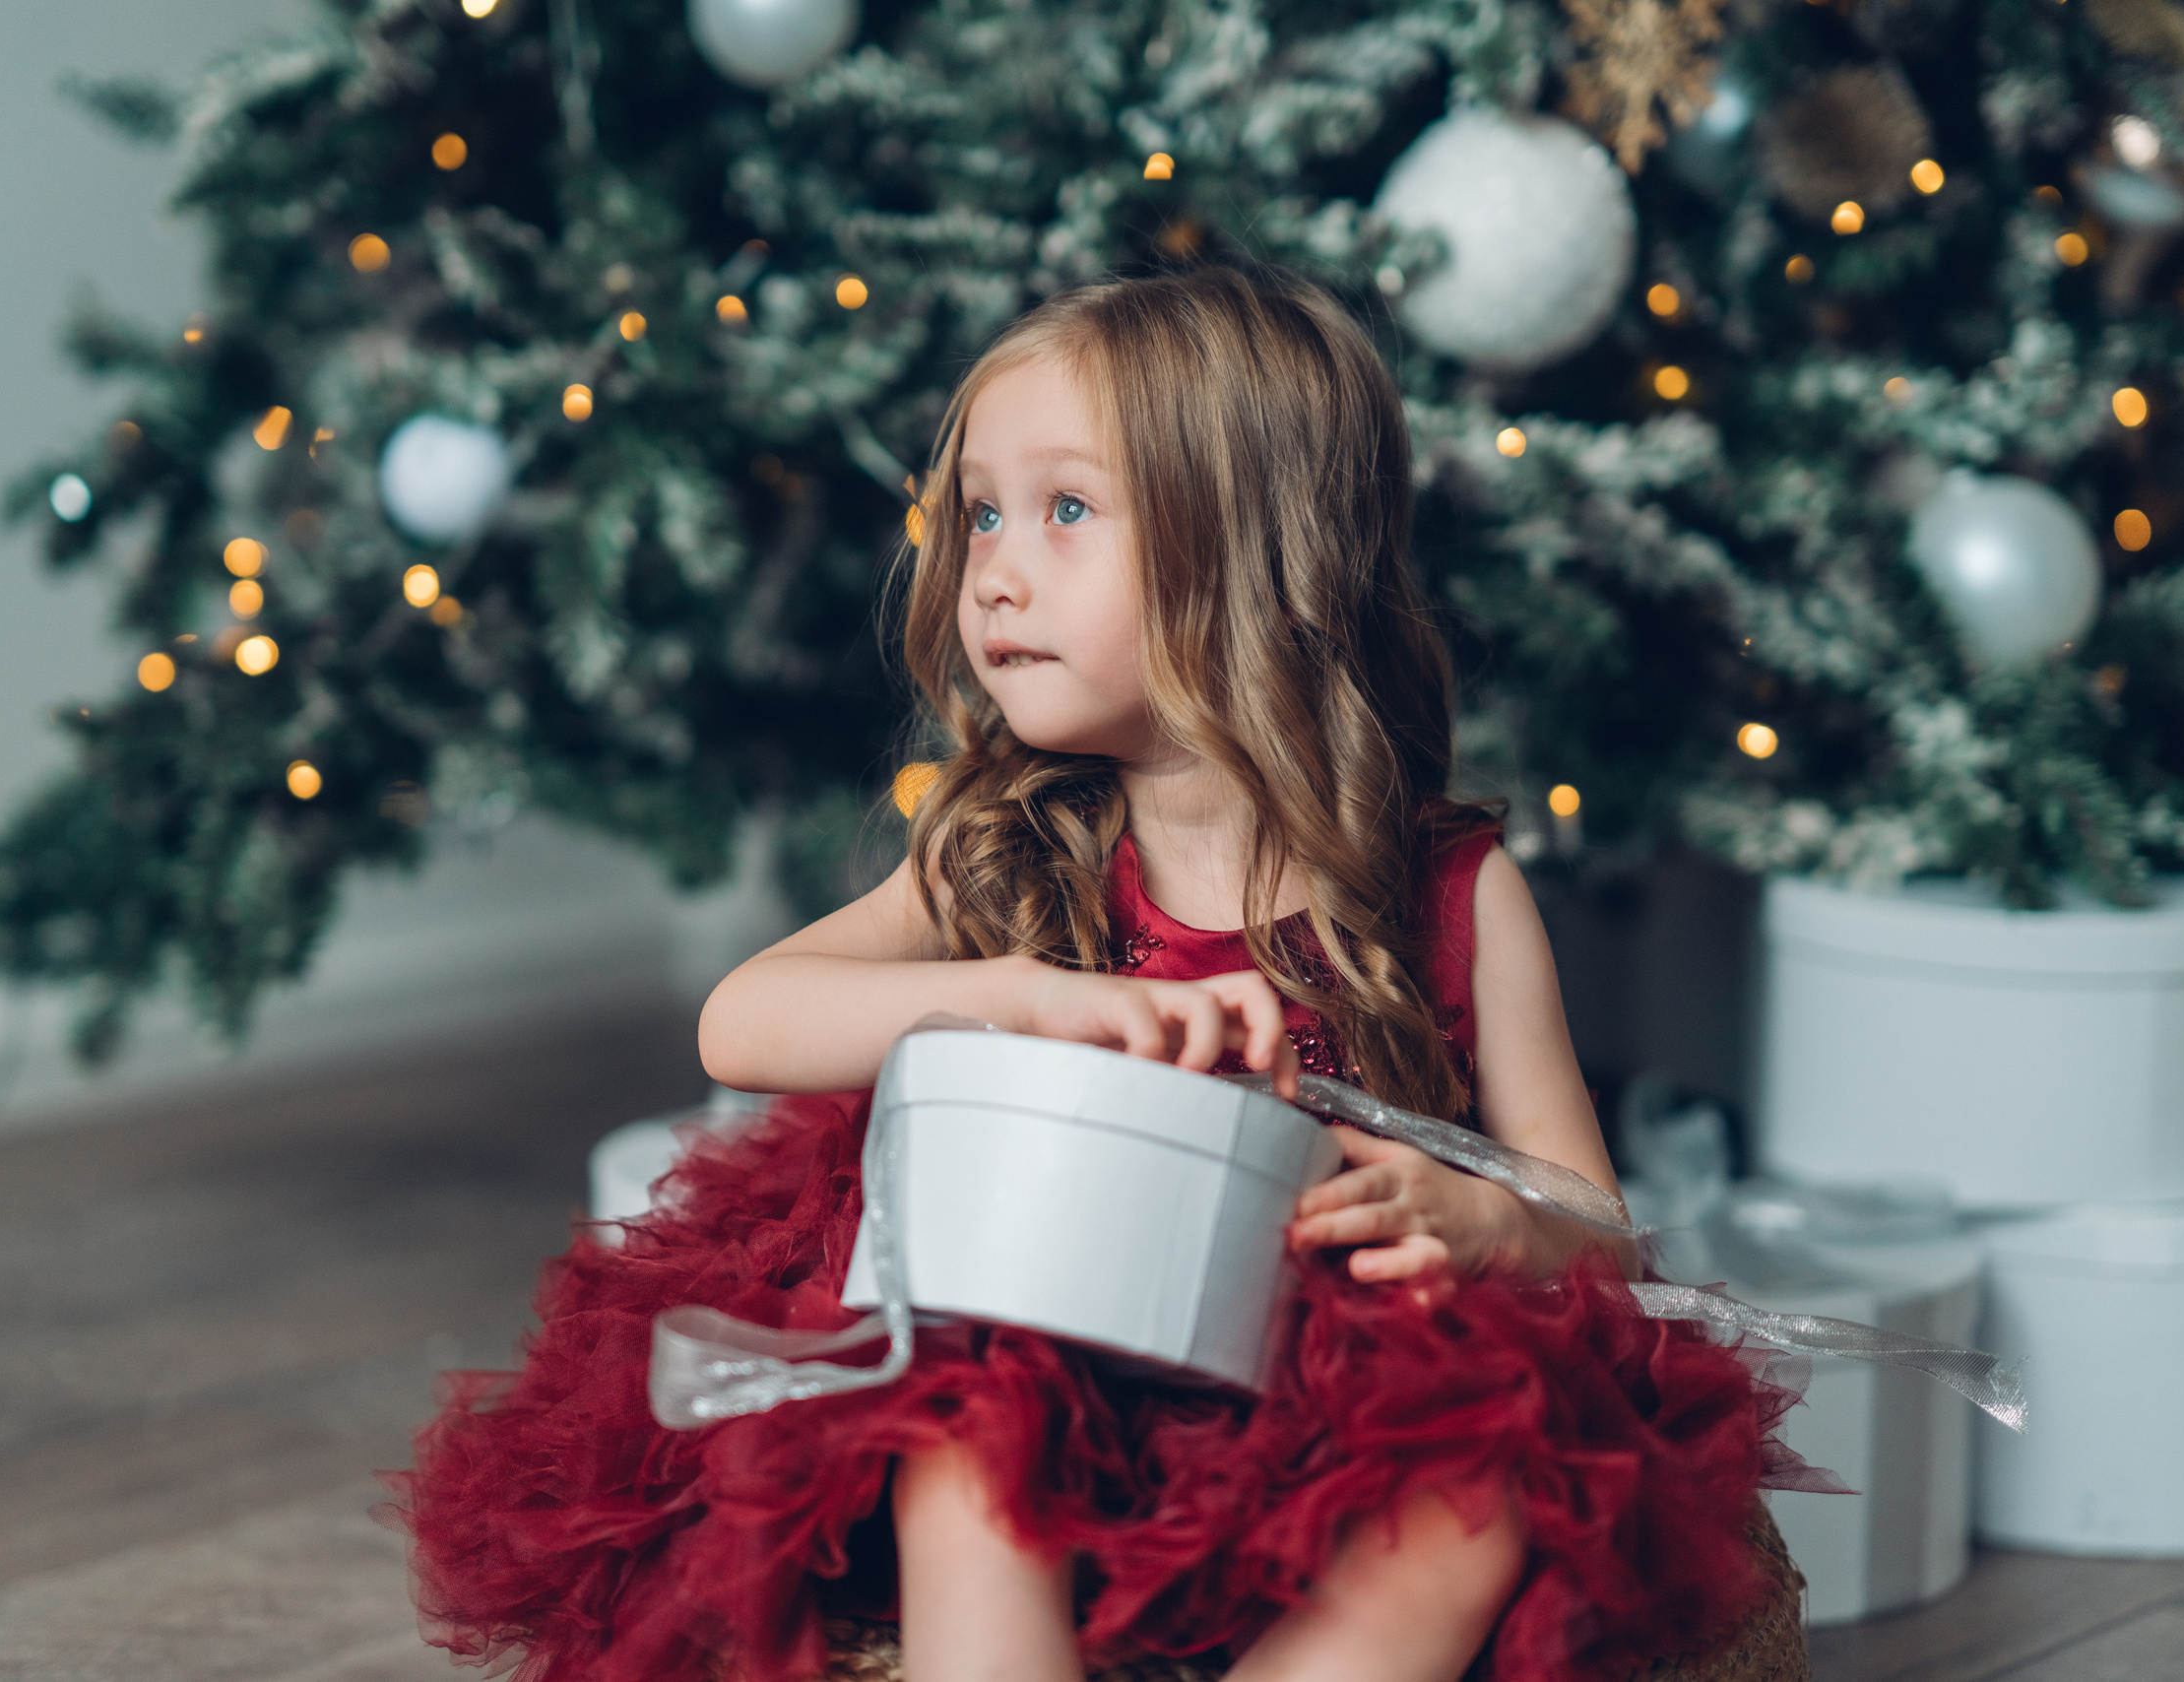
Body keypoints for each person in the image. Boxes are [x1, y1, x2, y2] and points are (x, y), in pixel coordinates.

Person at [390, 266, 1794, 1682]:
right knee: (964, 1437)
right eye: (982, 514)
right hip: (1046, 1329)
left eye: (1065, 511)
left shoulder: (1452, 893)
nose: (992, 569)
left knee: (1483, 1491)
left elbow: (1601, 1233)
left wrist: (1487, 1223)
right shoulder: (1007, 850)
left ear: (1266, 552)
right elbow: (742, 1022)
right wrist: (1022, 994)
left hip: (1323, 1383)